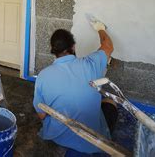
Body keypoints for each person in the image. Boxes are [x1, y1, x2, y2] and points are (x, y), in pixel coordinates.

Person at [33, 19, 117, 156]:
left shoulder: (42, 76)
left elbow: (41, 115)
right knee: (109, 102)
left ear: (54, 50)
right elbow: (108, 46)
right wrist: (100, 28)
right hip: (92, 140)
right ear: (73, 47)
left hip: (57, 136)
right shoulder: (90, 64)